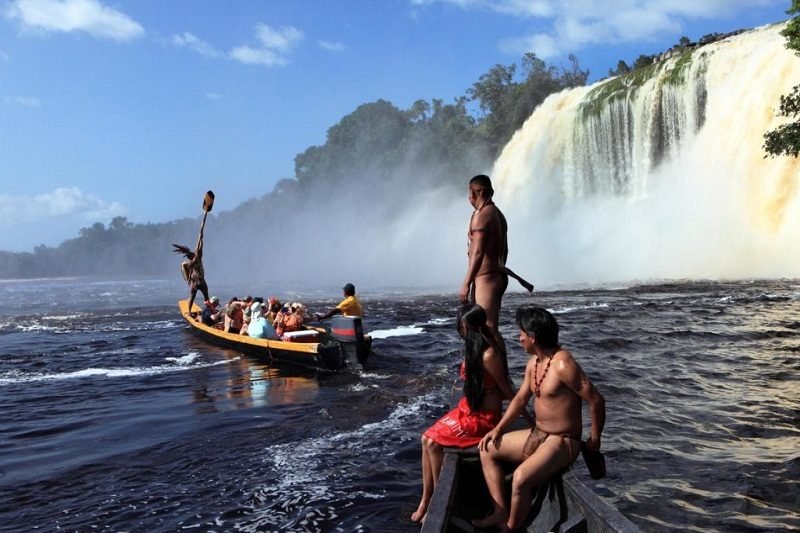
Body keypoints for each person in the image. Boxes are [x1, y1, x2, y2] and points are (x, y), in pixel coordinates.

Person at [474, 305, 605, 531]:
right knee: (486, 449)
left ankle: (511, 528)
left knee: (520, 478)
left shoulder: (563, 364)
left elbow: (596, 400)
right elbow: (519, 400)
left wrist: (595, 439)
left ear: (533, 337)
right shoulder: (533, 363)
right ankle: (499, 513)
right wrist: (498, 429)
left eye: (522, 333)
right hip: (538, 434)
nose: (519, 337)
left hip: (562, 440)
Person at [410, 303, 517, 524]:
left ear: (469, 327)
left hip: (484, 418)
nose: (460, 330)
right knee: (425, 439)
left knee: (433, 444)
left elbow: (509, 392)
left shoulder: (489, 355)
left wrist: (522, 421)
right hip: (468, 409)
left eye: (462, 326)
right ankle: (427, 499)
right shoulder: (474, 346)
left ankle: (442, 502)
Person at [459, 175, 533, 339]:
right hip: (495, 275)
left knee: (487, 327)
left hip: (487, 278)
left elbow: (477, 252)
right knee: (487, 327)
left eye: (470, 193)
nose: (469, 197)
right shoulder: (497, 214)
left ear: (476, 192)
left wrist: (466, 283)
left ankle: (495, 365)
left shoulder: (482, 215)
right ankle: (483, 363)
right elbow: (505, 249)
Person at [172, 213, 210, 314]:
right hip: (199, 281)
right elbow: (200, 237)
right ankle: (206, 311)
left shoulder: (192, 260)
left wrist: (205, 216)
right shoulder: (196, 257)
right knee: (204, 297)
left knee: (195, 297)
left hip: (195, 282)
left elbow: (200, 236)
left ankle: (191, 312)